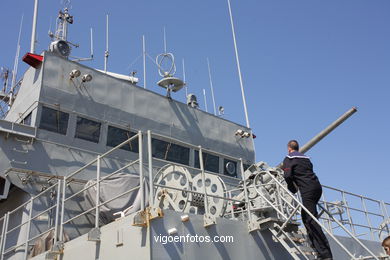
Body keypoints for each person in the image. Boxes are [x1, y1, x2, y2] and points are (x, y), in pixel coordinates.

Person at [282, 140, 333, 260]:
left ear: (289, 148)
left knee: (311, 220)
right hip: (317, 187)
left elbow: (287, 176)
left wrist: (292, 189)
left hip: (307, 190)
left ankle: (325, 254)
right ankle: (315, 245)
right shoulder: (306, 159)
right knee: (306, 216)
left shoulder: (289, 158)